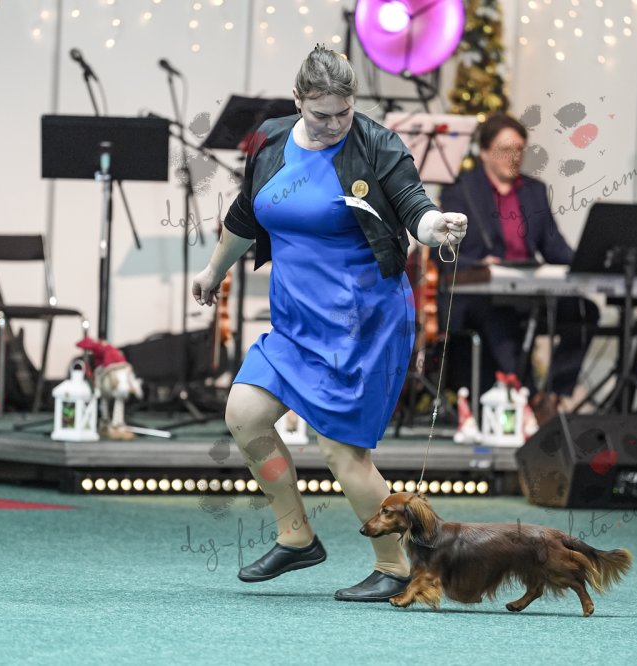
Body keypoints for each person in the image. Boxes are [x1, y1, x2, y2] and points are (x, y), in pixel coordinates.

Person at [191, 45, 468, 601]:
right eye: (321, 114)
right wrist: (213, 270)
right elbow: (245, 214)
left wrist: (434, 225)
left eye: (344, 112)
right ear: (297, 100)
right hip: (296, 323)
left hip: (363, 324)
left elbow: (413, 204)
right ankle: (296, 535)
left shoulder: (378, 144)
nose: (335, 124)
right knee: (244, 413)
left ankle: (396, 566)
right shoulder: (270, 141)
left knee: (342, 452)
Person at [435, 113, 598, 413]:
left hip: (527, 290)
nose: (514, 157)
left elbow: (554, 248)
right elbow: (445, 251)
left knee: (583, 311)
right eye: (505, 149)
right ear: (485, 152)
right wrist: (480, 263)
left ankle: (553, 394)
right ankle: (529, 397)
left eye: (519, 149)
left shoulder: (534, 191)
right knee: (501, 315)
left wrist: (592, 259)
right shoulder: (461, 190)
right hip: (479, 296)